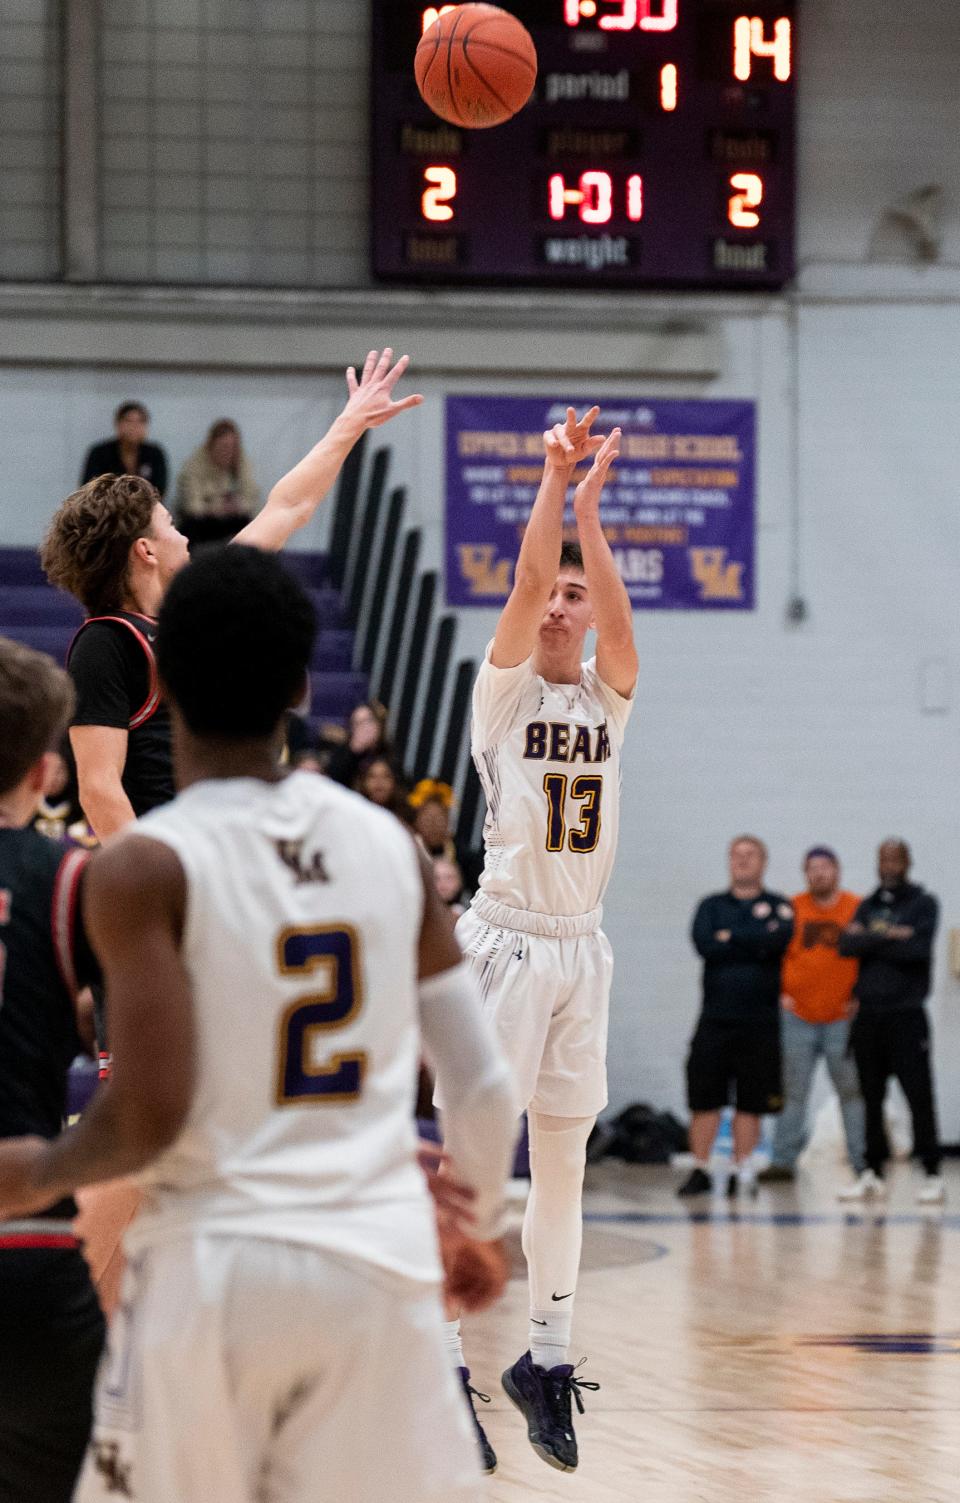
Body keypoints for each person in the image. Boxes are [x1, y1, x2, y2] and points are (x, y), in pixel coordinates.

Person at [0, 546, 518, 1503]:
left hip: (215, 1273)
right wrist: (479, 1219)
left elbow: (150, 1113)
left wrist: (36, 1171)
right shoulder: (391, 846)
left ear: (168, 679)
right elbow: (483, 1087)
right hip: (374, 1271)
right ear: (297, 684)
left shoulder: (143, 866)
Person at [438, 407, 636, 1475]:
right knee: (472, 1171)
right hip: (504, 944)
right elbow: (522, 589)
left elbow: (619, 619)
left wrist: (593, 522)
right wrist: (555, 483)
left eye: (577, 597)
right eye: (553, 594)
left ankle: (543, 1364)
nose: (563, 606)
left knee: (564, 1166)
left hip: (581, 949)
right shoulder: (503, 693)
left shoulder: (611, 698)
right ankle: (437, 1361)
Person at [42, 349, 420, 841]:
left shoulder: (198, 607)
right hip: (177, 862)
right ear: (145, 551)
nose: (182, 536)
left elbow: (289, 506)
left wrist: (349, 423)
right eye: (171, 526)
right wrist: (164, 880)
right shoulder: (106, 643)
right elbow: (98, 790)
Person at [0, 637, 105, 1503]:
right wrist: (53, 1166)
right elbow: (160, 1090)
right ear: (44, 773)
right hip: (27, 1251)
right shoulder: (71, 877)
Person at [680, 836, 794, 1200]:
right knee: (704, 1097)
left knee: (751, 1100)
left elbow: (776, 942)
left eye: (751, 855)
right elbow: (705, 945)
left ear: (763, 861)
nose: (743, 861)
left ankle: (740, 1168)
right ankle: (700, 1167)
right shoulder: (711, 906)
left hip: (760, 1021)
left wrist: (731, 938)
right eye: (737, 855)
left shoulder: (780, 907)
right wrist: (751, 941)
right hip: (715, 1018)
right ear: (729, 861)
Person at [839, 839, 943, 1204]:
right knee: (870, 1096)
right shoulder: (867, 904)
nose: (889, 865)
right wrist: (890, 935)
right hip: (869, 1016)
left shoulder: (922, 903)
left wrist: (870, 936)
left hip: (906, 1015)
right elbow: (845, 946)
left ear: (907, 862)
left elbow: (917, 950)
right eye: (883, 858)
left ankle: (931, 1172)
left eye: (895, 859)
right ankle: (871, 1171)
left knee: (918, 1095)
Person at [756, 847, 865, 1190]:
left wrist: (860, 998)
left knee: (852, 1091)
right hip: (798, 1016)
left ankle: (862, 1161)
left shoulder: (856, 908)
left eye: (825, 867)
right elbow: (770, 955)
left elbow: (871, 956)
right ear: (806, 874)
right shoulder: (792, 908)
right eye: (812, 869)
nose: (819, 874)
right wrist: (779, 993)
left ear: (837, 870)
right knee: (793, 1092)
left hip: (842, 1017)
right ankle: (782, 1161)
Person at [174, 418, 261, 546]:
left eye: (232, 448)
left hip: (234, 521)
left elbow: (252, 500)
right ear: (211, 445)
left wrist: (237, 506)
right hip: (203, 524)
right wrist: (218, 507)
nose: (228, 452)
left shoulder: (242, 464)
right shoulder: (194, 465)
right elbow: (193, 506)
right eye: (223, 447)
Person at [80, 401, 168, 498]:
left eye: (140, 422)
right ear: (117, 424)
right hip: (106, 508)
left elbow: (159, 490)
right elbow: (89, 488)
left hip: (146, 508)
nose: (134, 427)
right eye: (129, 421)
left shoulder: (154, 453)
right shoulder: (99, 453)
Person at [325, 700, 392, 788]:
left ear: (379, 724)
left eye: (367, 721)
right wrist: (354, 752)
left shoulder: (389, 753)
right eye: (357, 723)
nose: (363, 728)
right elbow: (333, 783)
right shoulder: (342, 753)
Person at [356, 752, 409, 818]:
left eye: (386, 776)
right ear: (363, 782)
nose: (379, 782)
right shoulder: (353, 814)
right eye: (372, 776)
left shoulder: (406, 819)